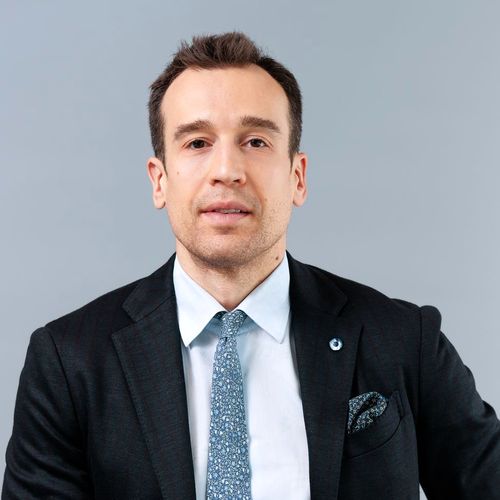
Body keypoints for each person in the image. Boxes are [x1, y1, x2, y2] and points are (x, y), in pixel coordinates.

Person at [2, 32, 499, 500]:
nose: (227, 171)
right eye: (197, 143)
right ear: (159, 180)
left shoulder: (404, 340)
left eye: (256, 141)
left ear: (297, 177)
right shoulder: (70, 362)